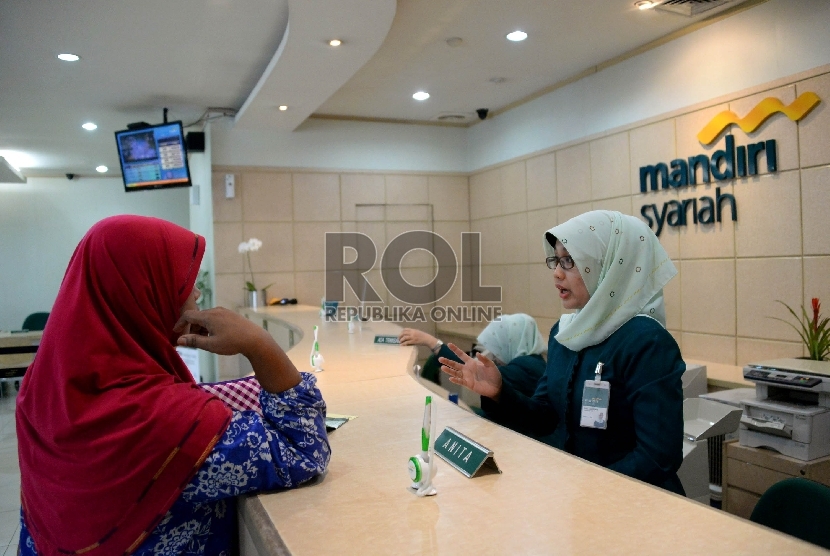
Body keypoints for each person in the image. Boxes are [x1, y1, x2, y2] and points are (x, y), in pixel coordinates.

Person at [16, 215, 330, 556]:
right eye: (182, 281)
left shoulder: (41, 384)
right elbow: (304, 451)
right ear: (142, 291)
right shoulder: (163, 422)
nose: (196, 291)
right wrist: (259, 344)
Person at [440, 211, 686, 494]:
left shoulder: (646, 341)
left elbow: (658, 457)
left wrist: (586, 489)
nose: (556, 272)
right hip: (578, 501)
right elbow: (546, 418)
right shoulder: (565, 332)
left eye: (569, 261)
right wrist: (499, 391)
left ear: (607, 265)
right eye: (555, 260)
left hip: (634, 506)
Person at [398, 313, 547, 398]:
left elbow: (477, 372)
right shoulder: (533, 361)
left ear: (511, 343)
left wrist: (431, 341)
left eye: (496, 349)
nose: (493, 357)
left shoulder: (525, 368)